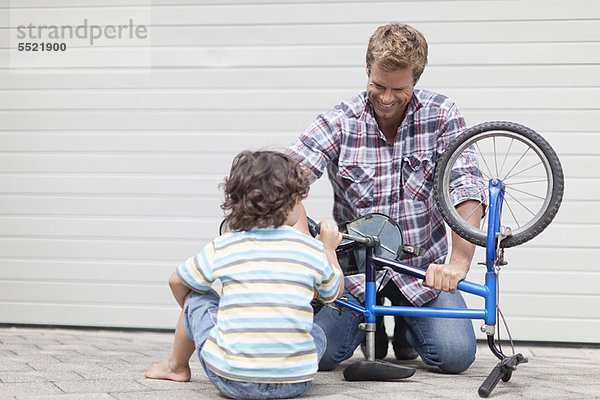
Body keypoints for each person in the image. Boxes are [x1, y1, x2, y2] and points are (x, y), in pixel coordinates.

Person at [286, 22, 486, 374]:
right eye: (378, 85)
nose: (387, 98)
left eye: (399, 89)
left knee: (455, 355)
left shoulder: (442, 115)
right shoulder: (339, 121)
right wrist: (310, 254)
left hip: (423, 271)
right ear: (367, 70)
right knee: (320, 355)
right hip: (356, 273)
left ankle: (408, 329)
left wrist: (457, 264)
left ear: (416, 79)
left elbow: (466, 186)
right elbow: (284, 184)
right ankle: (372, 325)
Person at [145, 150, 344, 399]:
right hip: (295, 382)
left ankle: (175, 366)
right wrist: (328, 249)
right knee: (315, 333)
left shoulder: (225, 245)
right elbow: (332, 292)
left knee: (197, 297)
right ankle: (284, 365)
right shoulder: (311, 249)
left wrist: (192, 314)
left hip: (232, 380)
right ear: (295, 202)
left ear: (236, 203)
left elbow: (176, 280)